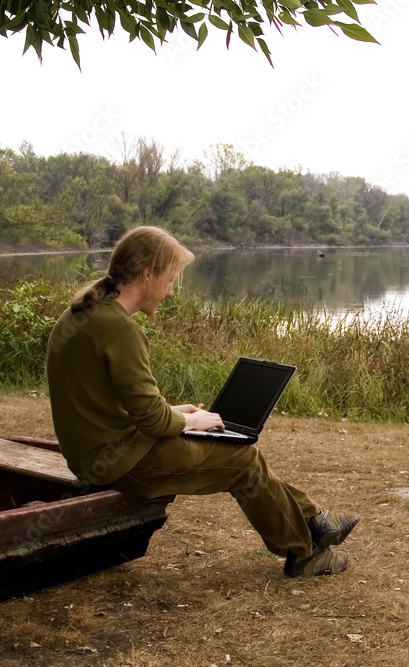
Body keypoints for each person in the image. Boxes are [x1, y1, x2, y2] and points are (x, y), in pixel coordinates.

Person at [45, 226, 357, 576]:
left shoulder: (82, 314)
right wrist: (195, 422)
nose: (171, 292)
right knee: (243, 459)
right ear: (149, 274)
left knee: (236, 453)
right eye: (171, 279)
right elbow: (152, 421)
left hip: (97, 453)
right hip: (121, 462)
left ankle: (315, 521)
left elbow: (105, 402)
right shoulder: (120, 329)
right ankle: (305, 552)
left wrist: (176, 412)